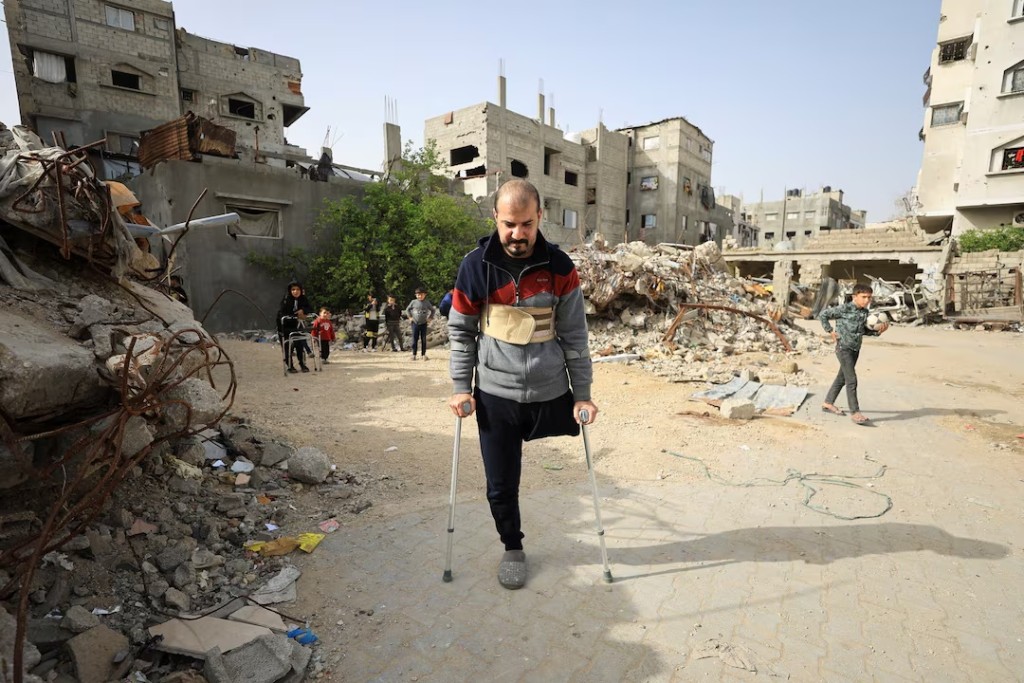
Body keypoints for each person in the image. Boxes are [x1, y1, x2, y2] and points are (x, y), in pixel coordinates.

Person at [447, 178, 598, 590]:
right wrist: (462, 387)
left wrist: (582, 394)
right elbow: (461, 332)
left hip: (550, 391)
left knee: (568, 443)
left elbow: (575, 336)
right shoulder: (475, 266)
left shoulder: (561, 267)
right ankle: (512, 546)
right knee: (500, 483)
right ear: (495, 217)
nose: (518, 234)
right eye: (510, 223)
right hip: (496, 394)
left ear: (539, 218)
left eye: (527, 224)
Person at [819, 283, 889, 425]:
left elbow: (863, 331)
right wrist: (830, 331)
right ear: (854, 296)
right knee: (852, 380)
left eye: (869, 297)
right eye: (863, 297)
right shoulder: (844, 309)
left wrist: (878, 331)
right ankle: (855, 413)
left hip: (855, 349)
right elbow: (823, 315)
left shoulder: (864, 313)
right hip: (843, 348)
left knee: (842, 378)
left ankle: (828, 403)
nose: (867, 300)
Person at [277, 280, 313, 373]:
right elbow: (283, 313)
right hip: (285, 325)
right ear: (290, 291)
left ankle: (302, 364)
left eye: (297, 289)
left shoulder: (303, 299)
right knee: (287, 346)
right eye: (293, 290)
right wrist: (296, 315)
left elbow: (310, 308)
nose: (295, 292)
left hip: (297, 325)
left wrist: (303, 310)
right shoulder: (286, 299)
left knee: (299, 344)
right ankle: (290, 366)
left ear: (301, 290)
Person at [406, 287, 435, 360]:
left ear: (425, 295)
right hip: (415, 323)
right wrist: (410, 317)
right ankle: (414, 354)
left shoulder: (427, 302)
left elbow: (433, 310)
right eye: (418, 295)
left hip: (423, 323)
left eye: (421, 295)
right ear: (416, 295)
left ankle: (423, 354)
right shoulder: (413, 302)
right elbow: (407, 309)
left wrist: (430, 318)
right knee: (414, 339)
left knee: (423, 339)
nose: (420, 296)